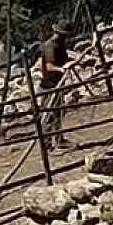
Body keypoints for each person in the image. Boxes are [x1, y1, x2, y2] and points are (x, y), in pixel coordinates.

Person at [39, 21, 75, 152]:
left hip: (57, 83)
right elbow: (49, 66)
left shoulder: (60, 45)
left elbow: (64, 59)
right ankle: (47, 144)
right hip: (49, 85)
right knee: (48, 115)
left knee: (59, 112)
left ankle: (59, 139)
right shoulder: (50, 46)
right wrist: (61, 69)